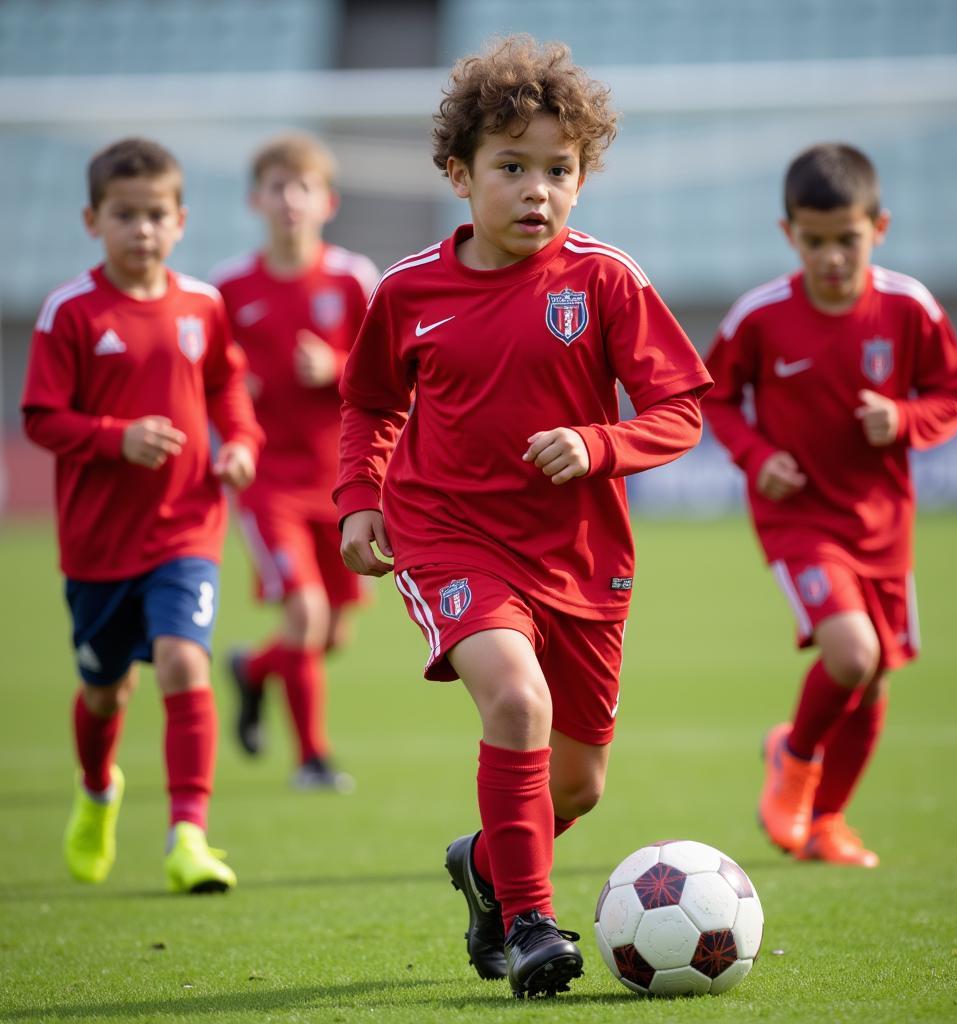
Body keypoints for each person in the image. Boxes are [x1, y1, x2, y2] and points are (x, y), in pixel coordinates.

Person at [334, 35, 712, 998]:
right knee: (518, 703)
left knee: (577, 785)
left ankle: (488, 867)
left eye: (559, 169)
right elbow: (371, 403)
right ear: (460, 176)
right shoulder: (408, 292)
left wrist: (598, 444)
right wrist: (358, 501)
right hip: (449, 534)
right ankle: (531, 923)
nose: (536, 189)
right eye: (511, 168)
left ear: (583, 178)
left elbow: (680, 410)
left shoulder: (605, 282)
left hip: (582, 558)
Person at [702, 143, 957, 868]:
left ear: (878, 228)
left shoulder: (908, 306)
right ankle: (793, 763)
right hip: (799, 520)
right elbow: (715, 397)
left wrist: (906, 419)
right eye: (814, 240)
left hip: (882, 522)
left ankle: (828, 821)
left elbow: (954, 392)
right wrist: (758, 458)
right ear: (787, 232)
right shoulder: (760, 317)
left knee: (875, 674)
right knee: (852, 655)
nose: (830, 257)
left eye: (846, 240)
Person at [21, 137, 264, 892]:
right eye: (125, 215)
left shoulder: (203, 304)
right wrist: (113, 438)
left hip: (186, 528)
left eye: (156, 214)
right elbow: (40, 418)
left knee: (184, 660)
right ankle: (98, 791)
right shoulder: (70, 311)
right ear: (94, 220)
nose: (143, 230)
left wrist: (242, 444)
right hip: (97, 547)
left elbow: (228, 389)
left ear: (181, 219)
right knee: (105, 692)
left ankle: (187, 835)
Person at [212, 134, 378, 791]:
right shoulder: (228, 288)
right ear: (256, 199)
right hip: (268, 482)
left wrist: (334, 368)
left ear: (327, 202)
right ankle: (312, 760)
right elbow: (205, 376)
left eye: (302, 188)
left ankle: (253, 671)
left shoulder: (352, 277)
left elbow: (387, 372)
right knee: (305, 616)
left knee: (332, 634)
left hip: (342, 480)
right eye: (277, 187)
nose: (289, 200)